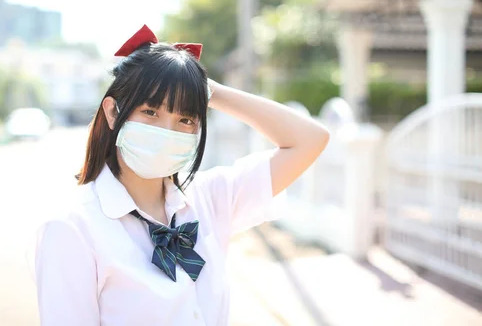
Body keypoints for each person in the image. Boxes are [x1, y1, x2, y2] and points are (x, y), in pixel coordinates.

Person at [34, 25, 330, 325]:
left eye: (185, 119)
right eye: (150, 112)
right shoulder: (72, 229)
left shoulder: (210, 199)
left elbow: (310, 140)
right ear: (113, 113)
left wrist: (207, 90)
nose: (167, 131)